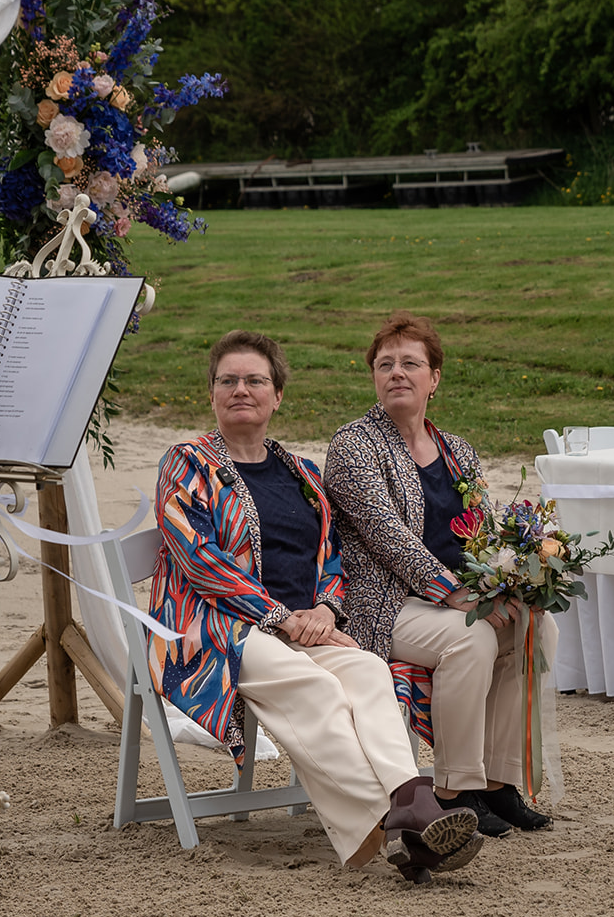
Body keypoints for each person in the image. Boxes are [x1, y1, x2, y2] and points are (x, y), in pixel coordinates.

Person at [149, 330, 481, 881]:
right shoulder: (187, 463)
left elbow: (330, 554)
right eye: (228, 380)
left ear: (277, 395)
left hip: (303, 627)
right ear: (211, 394)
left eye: (255, 380)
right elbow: (199, 560)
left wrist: (326, 610)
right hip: (214, 629)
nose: (241, 390)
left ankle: (408, 802)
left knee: (368, 670)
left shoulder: (301, 473)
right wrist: (280, 617)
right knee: (319, 688)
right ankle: (402, 823)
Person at [323, 313, 556, 835]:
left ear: (434, 378)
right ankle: (455, 789)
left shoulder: (458, 450)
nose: (396, 373)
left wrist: (507, 586)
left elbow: (486, 530)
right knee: (470, 639)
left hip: (454, 598)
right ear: (374, 377)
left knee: (534, 628)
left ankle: (498, 783)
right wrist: (456, 595)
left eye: (410, 364)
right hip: (382, 602)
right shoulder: (354, 445)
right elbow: (386, 534)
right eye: (385, 365)